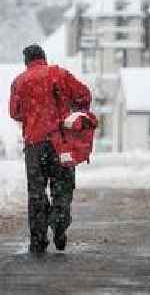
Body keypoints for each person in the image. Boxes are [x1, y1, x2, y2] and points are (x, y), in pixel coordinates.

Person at [9, 44, 91, 255]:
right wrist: (71, 109)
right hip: (60, 143)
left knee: (36, 193)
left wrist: (34, 114)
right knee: (62, 188)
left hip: (34, 146)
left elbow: (15, 113)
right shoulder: (59, 74)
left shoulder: (19, 82)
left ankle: (38, 241)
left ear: (26, 61)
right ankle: (59, 225)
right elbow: (84, 95)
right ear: (44, 57)